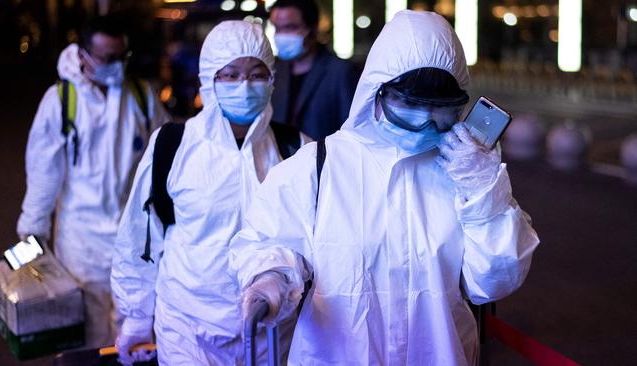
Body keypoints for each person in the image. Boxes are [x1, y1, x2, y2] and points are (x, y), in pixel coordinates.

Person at [231, 10, 540, 365]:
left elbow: (493, 281)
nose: (424, 119)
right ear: (375, 92)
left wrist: (486, 194)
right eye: (409, 104)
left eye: (438, 108)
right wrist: (269, 277)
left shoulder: (464, 173)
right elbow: (268, 241)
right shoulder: (318, 167)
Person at [111, 21, 308, 365]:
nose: (244, 85)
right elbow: (141, 236)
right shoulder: (173, 145)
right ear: (208, 78)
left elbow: (312, 241)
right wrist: (137, 315)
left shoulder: (295, 151)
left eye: (256, 73)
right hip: (187, 328)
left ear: (272, 78)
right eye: (229, 75)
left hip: (272, 333)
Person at [16, 15, 168, 348]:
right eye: (106, 58)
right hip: (81, 243)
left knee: (137, 333)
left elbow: (165, 158)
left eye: (122, 57)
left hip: (134, 238)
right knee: (90, 336)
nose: (116, 66)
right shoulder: (60, 102)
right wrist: (32, 231)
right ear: (83, 54)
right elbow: (44, 174)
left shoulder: (140, 96)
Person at [269, 0, 358, 140]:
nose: (282, 35)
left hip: (323, 159)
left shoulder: (340, 72)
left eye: (290, 27)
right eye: (277, 28)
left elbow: (352, 130)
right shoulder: (273, 70)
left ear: (314, 28)